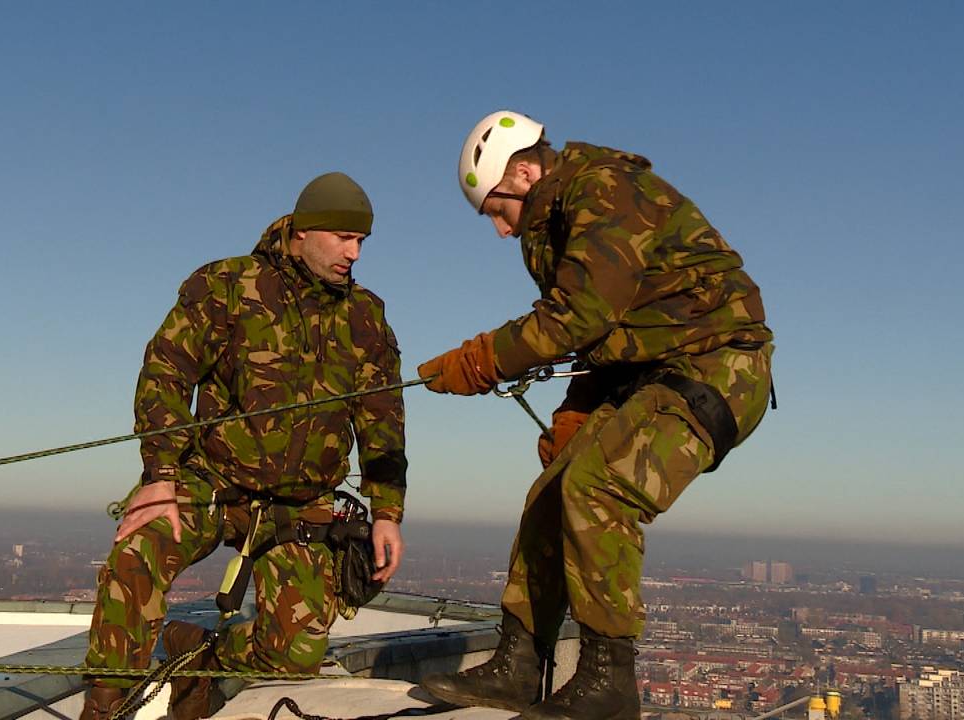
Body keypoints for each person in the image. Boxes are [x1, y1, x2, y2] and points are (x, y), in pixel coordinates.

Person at [417, 111, 774, 720]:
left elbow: (577, 318)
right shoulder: (558, 221)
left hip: (719, 368)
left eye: (498, 210)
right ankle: (518, 664)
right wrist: (575, 414)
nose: (501, 231)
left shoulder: (605, 191)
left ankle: (609, 681)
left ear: (525, 173)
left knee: (598, 485)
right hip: (648, 375)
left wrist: (480, 360)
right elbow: (605, 335)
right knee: (550, 497)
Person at [79, 173, 408, 720]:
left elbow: (383, 419)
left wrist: (387, 512)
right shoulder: (228, 285)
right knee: (137, 554)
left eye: (362, 242)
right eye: (343, 238)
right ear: (302, 231)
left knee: (295, 657)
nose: (354, 253)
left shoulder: (365, 316)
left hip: (300, 504)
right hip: (212, 480)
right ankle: (106, 703)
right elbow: (165, 372)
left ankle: (198, 658)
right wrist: (160, 475)